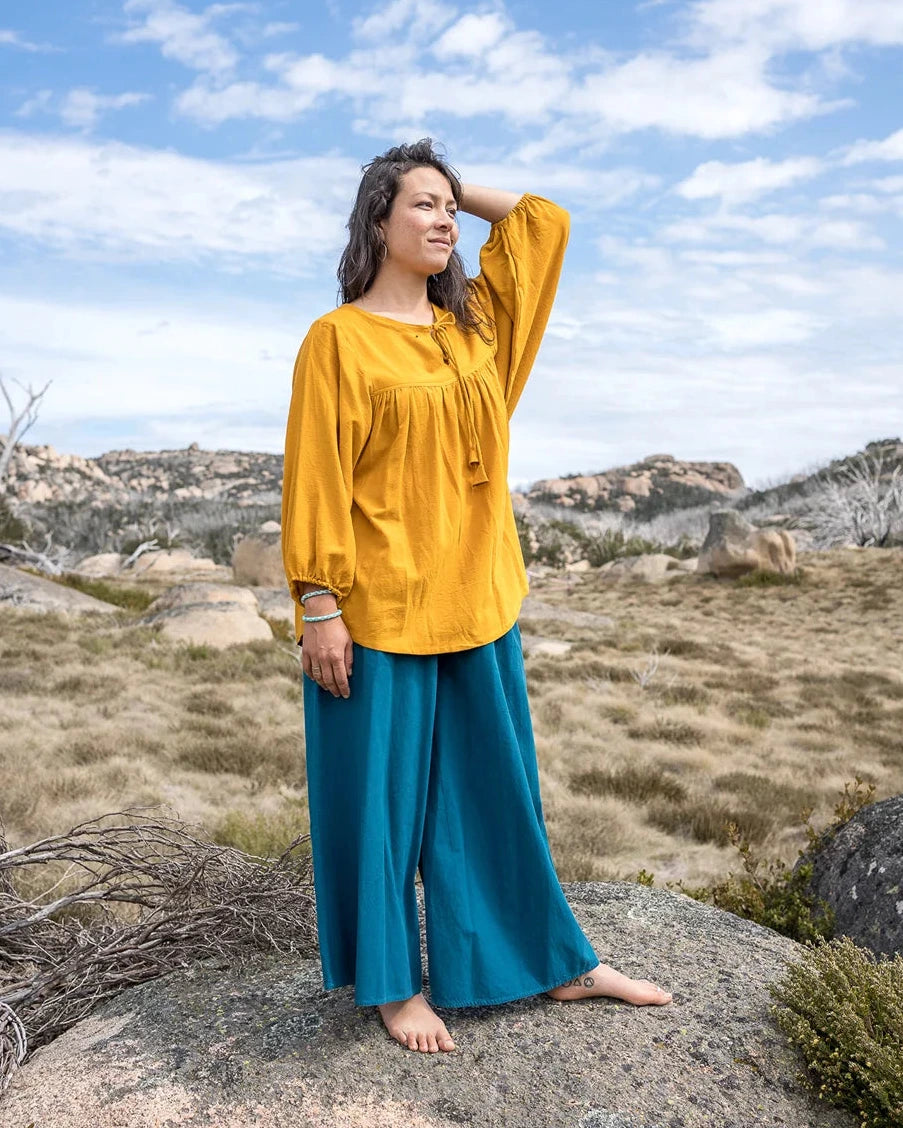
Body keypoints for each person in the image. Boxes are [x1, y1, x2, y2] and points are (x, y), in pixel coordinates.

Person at [281, 138, 672, 1055]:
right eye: (420, 204)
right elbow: (314, 476)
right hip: (376, 615)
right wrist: (319, 605)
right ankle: (391, 988)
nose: (445, 220)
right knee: (379, 812)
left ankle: (552, 962)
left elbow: (542, 225)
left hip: (477, 602)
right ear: (375, 221)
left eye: (450, 207)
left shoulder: (475, 334)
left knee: (499, 799)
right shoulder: (336, 340)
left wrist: (453, 181)